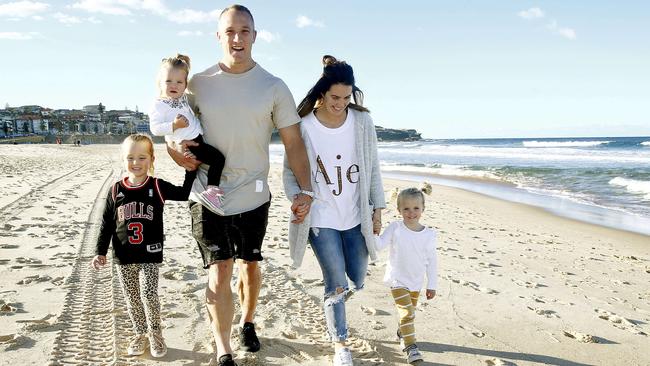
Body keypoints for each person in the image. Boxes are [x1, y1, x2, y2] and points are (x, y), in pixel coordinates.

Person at [165, 5, 312, 366]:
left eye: (244, 31)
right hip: (207, 193)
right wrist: (174, 153)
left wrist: (305, 191)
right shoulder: (197, 83)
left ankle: (247, 321)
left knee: (249, 265)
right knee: (221, 267)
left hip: (254, 193)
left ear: (255, 36)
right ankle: (223, 346)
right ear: (219, 37)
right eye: (230, 31)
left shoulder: (273, 86)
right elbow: (172, 128)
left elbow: (293, 143)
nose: (237, 38)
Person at [283, 55, 386, 366]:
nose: (340, 103)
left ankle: (336, 300)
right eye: (334, 97)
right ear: (322, 93)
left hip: (356, 216)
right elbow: (289, 172)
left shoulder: (362, 122)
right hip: (321, 218)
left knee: (357, 278)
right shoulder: (303, 126)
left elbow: (373, 167)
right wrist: (299, 197)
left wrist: (377, 207)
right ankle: (340, 343)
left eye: (346, 97)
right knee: (335, 281)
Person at [91, 133, 196, 358]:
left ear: (151, 159)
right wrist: (100, 251)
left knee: (149, 295)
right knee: (132, 298)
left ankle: (156, 335)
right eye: (130, 158)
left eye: (141, 158)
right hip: (123, 256)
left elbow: (184, 193)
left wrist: (191, 171)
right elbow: (106, 224)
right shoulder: (115, 190)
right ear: (123, 159)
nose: (136, 163)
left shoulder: (157, 186)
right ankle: (140, 334)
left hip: (150, 253)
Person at [149, 53, 226, 215]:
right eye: (168, 81)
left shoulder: (182, 97)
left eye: (179, 82)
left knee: (189, 179)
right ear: (160, 83)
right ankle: (212, 190)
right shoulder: (159, 104)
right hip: (192, 143)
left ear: (185, 85)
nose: (174, 85)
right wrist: (174, 125)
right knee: (218, 159)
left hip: (195, 140)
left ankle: (171, 191)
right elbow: (155, 129)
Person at [375, 188, 437, 364]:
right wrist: (372, 232)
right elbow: (379, 246)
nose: (411, 213)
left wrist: (431, 284)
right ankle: (411, 347)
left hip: (416, 282)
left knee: (409, 314)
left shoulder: (429, 235)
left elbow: (432, 262)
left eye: (416, 208)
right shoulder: (396, 227)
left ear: (423, 209)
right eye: (406, 209)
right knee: (407, 312)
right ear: (399, 210)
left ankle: (402, 333)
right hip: (398, 280)